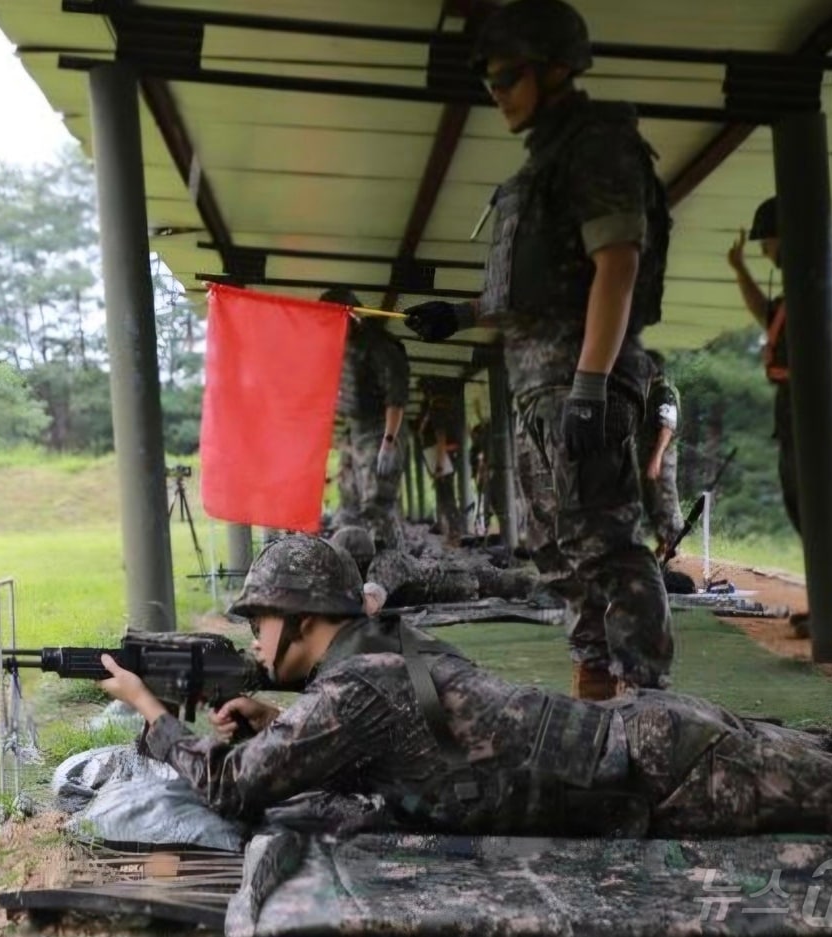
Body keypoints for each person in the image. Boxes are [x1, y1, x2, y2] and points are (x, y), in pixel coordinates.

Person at [98, 535, 832, 837]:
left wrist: (151, 713)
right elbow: (389, 726)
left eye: (260, 620)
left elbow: (233, 787)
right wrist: (281, 713)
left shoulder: (353, 695)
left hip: (664, 771)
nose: (254, 639)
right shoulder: (382, 656)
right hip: (658, 735)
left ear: (302, 618)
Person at [401, 0, 672, 699]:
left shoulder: (595, 146)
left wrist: (590, 383)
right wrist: (459, 313)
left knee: (605, 548)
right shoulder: (543, 164)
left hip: (582, 385)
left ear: (557, 70)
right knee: (556, 552)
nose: (497, 94)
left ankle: (649, 704)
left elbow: (618, 264)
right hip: (538, 389)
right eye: (490, 82)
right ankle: (595, 693)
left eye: (509, 77)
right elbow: (534, 293)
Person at [727, 198, 832, 637]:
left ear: (782, 236)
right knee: (805, 507)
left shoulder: (831, 281)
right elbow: (766, 315)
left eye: (765, 241)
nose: (764, 250)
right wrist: (738, 271)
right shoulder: (797, 293)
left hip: (820, 409)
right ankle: (830, 601)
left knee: (830, 504)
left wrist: (827, 399)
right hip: (794, 407)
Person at [325, 288, 410, 549]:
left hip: (380, 427)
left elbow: (396, 397)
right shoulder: (341, 344)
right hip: (355, 429)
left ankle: (390, 570)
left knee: (377, 505)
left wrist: (389, 441)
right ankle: (354, 568)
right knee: (349, 502)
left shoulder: (380, 346)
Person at [637, 351, 683, 558]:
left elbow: (667, 427)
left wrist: (656, 458)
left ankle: (673, 544)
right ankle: (663, 542)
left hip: (661, 455)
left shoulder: (664, 393)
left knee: (665, 499)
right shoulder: (649, 392)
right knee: (652, 500)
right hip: (647, 452)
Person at [415, 376, 466, 546]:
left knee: (446, 495)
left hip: (443, 456)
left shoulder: (438, 408)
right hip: (443, 455)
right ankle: (451, 531)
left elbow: (440, 436)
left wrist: (438, 463)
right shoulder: (440, 408)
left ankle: (454, 533)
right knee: (445, 494)